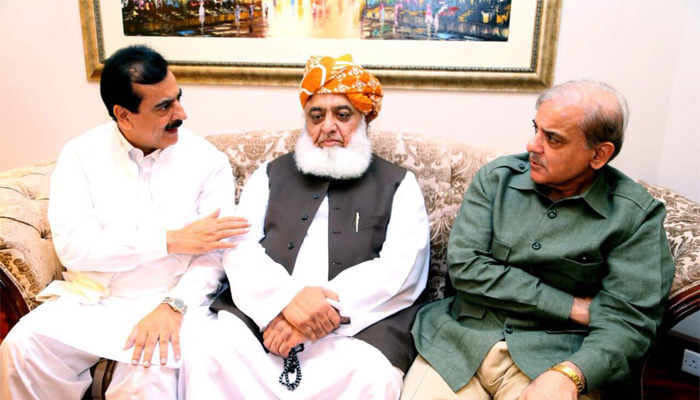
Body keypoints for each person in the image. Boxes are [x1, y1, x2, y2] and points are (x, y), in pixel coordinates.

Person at [0, 45, 249, 400]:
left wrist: (174, 305)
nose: (181, 114)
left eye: (178, 98)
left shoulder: (208, 162)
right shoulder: (80, 154)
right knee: (22, 348)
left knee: (148, 378)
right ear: (123, 115)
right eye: (164, 107)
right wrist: (169, 241)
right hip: (90, 299)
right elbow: (76, 249)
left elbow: (213, 255)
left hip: (168, 301)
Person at [402, 81, 675, 400]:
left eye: (553, 139)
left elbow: (629, 321)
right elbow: (466, 268)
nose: (533, 145)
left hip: (554, 359)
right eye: (536, 129)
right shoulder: (496, 180)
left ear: (599, 154)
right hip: (458, 345)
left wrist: (571, 374)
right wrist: (570, 306)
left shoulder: (634, 215)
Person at [181, 54, 430, 399]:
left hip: (355, 325)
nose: (328, 126)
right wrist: (284, 302)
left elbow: (402, 269)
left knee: (373, 376)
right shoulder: (269, 174)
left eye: (342, 115)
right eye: (316, 116)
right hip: (266, 315)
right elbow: (239, 247)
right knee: (210, 353)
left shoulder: (400, 183)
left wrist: (318, 314)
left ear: (364, 119)